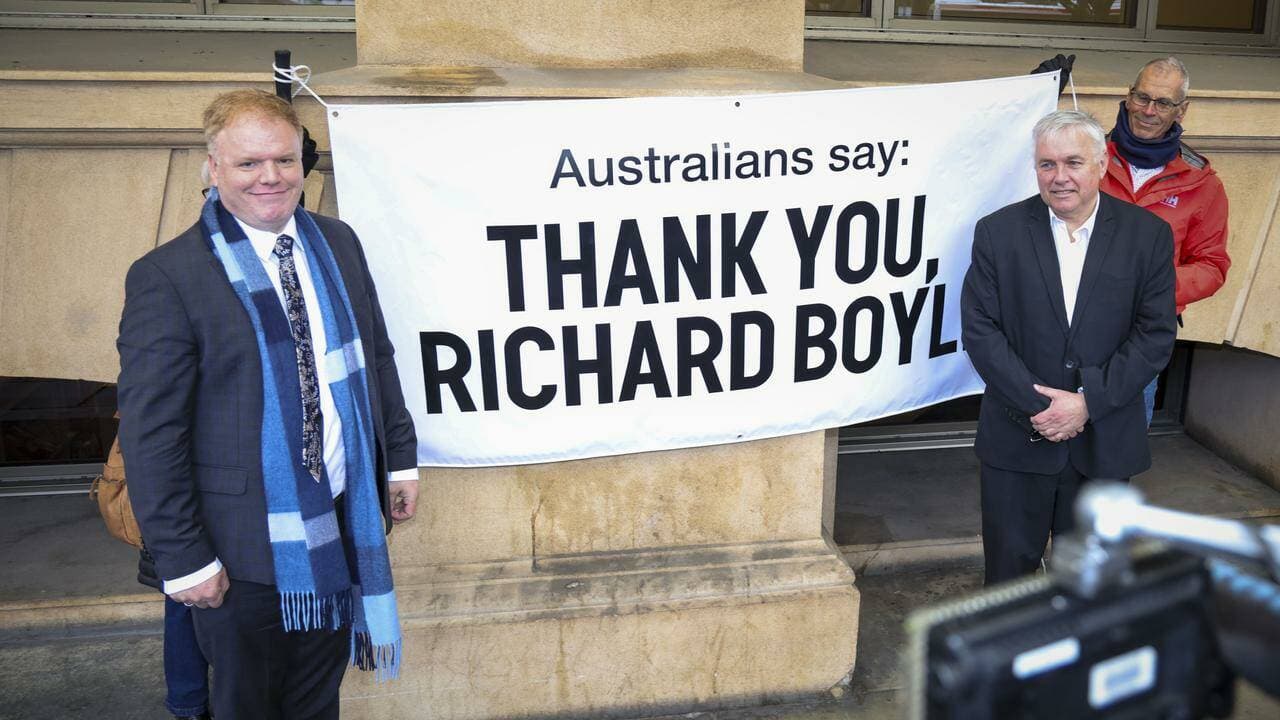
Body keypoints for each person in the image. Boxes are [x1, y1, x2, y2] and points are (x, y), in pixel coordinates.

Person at [117, 89, 420, 718]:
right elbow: (152, 436)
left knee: (315, 702)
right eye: (249, 163)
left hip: (338, 517)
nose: (270, 177)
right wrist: (185, 559)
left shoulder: (337, 245)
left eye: (283, 160)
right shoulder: (169, 276)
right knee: (245, 706)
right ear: (213, 169)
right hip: (238, 549)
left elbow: (378, 357)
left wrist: (400, 460)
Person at [960, 110, 1176, 585]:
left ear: (1101, 164)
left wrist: (1086, 403)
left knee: (1090, 583)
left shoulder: (1148, 237)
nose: (1059, 177)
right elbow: (980, 330)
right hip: (1017, 437)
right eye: (1046, 164)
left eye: (1073, 162)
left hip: (1103, 441)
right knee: (1007, 581)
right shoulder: (998, 233)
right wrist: (1042, 406)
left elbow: (1155, 335)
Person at [1101, 56, 1231, 423]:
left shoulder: (1202, 183)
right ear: (1128, 98)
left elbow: (1212, 265)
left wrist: (1155, 287)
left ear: (1182, 110)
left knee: (1119, 445)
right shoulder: (1086, 157)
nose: (1148, 111)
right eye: (1142, 98)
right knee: (1057, 435)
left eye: (1163, 103)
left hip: (1144, 330)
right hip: (1072, 320)